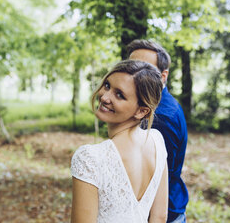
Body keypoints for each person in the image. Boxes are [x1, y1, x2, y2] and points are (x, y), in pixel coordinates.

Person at [71, 60, 168, 223]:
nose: (104, 96)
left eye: (119, 95)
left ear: (141, 111)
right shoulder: (156, 140)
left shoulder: (90, 157)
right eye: (107, 85)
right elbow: (159, 216)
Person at [127, 40, 189, 223]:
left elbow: (154, 179)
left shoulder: (160, 117)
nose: (134, 75)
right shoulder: (151, 103)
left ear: (163, 76)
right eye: (131, 67)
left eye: (144, 69)